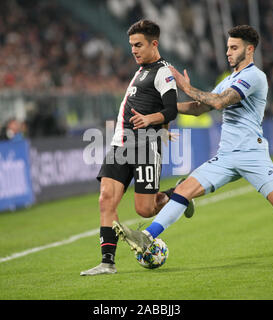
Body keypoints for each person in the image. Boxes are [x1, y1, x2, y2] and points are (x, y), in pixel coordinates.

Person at [113, 25, 273, 259]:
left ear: (249, 49)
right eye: (228, 48)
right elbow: (200, 108)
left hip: (253, 154)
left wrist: (186, 85)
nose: (228, 52)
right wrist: (162, 107)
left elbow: (220, 102)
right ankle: (147, 236)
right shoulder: (228, 79)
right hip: (226, 156)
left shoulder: (255, 76)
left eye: (233, 48)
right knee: (183, 190)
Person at [80, 19, 194, 276]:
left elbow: (170, 109)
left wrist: (152, 121)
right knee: (105, 198)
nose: (133, 50)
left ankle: (178, 193)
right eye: (131, 45)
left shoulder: (163, 71)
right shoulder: (141, 70)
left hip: (144, 146)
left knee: (145, 208)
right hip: (121, 143)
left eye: (138, 45)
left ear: (154, 44)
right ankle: (107, 263)